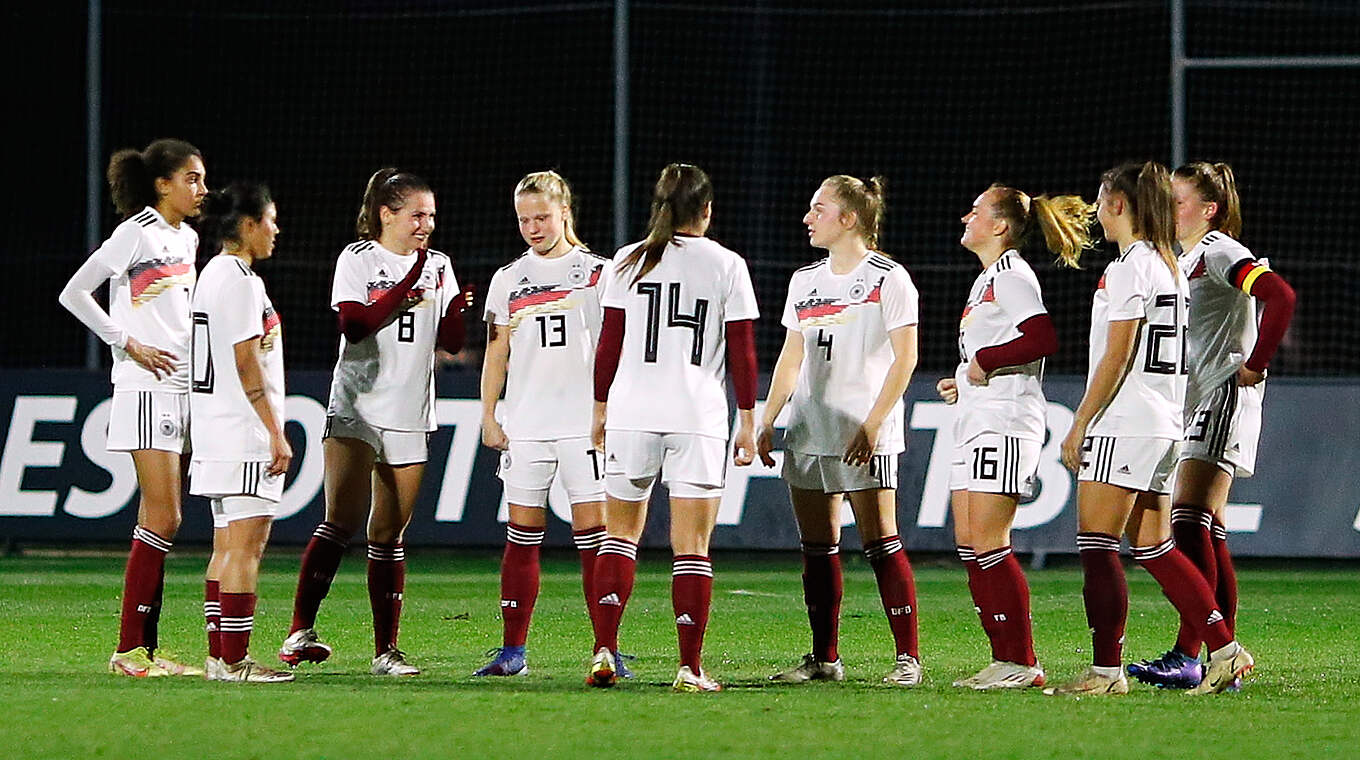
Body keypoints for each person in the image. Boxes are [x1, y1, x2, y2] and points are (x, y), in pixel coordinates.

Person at [1049, 161, 1254, 696]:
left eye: (1100, 198)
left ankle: (1105, 673)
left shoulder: (1131, 267)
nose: (1095, 209)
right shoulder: (1167, 263)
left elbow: (1117, 354)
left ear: (1119, 204)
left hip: (1127, 420)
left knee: (1095, 543)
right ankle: (1227, 650)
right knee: (1155, 546)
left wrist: (1080, 422)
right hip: (1163, 422)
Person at [279, 169, 470, 676]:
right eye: (417, 215)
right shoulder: (358, 258)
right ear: (387, 214)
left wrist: (456, 308)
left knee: (389, 534)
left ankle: (386, 651)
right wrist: (408, 283)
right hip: (357, 404)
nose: (426, 224)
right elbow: (354, 323)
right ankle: (299, 629)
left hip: (411, 411)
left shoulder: (441, 265)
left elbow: (450, 341)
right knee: (340, 520)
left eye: (430, 215)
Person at [587, 163, 759, 692]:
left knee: (618, 537)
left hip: (632, 413)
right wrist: (748, 420)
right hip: (697, 417)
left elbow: (609, 342)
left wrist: (599, 407)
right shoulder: (727, 264)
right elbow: (743, 352)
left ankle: (604, 651)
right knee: (692, 547)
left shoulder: (626, 261)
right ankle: (690, 666)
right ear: (706, 209)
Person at [1126, 162, 1295, 689]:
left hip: (1223, 396)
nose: (1169, 210)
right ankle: (1213, 655)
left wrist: (1256, 363)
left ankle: (1199, 652)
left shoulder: (1221, 251)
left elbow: (1281, 296)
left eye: (1178, 201)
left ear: (1208, 209)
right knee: (1206, 525)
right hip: (1194, 399)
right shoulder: (1181, 258)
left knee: (1189, 519)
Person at [759, 176, 923, 687]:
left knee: (882, 543)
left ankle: (907, 660)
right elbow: (792, 356)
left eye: (818, 209)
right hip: (810, 428)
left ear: (848, 219)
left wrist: (873, 424)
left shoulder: (889, 278)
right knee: (817, 548)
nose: (808, 218)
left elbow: (906, 357)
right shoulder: (804, 280)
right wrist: (768, 419)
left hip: (861, 432)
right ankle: (824, 659)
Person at [58, 138, 207, 677]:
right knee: (165, 516)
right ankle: (128, 650)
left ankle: (140, 650)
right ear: (162, 183)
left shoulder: (187, 238)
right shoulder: (135, 233)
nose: (201, 189)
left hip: (182, 387)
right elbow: (74, 293)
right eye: (192, 178)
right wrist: (127, 342)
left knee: (158, 519)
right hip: (145, 386)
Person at [937, 184, 1094, 690]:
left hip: (1006, 420)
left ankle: (1022, 661)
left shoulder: (1011, 273)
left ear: (1000, 226)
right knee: (969, 543)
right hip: (978, 414)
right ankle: (1002, 657)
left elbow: (1042, 337)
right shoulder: (987, 277)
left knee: (989, 541)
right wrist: (962, 376)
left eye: (977, 210)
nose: (967, 215)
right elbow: (996, 348)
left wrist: (986, 361)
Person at [474, 171, 612, 677]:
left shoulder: (599, 272)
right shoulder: (508, 278)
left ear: (565, 213)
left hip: (586, 426)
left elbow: (613, 348)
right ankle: (513, 652)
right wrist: (489, 413)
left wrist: (609, 410)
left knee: (595, 539)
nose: (533, 227)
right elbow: (496, 351)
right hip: (527, 424)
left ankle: (606, 648)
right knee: (521, 535)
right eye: (524, 219)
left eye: (542, 217)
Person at [190, 182, 293, 683]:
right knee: (245, 550)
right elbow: (247, 362)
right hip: (243, 432)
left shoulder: (212, 274)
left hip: (216, 430)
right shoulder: (239, 281)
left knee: (225, 546)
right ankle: (235, 659)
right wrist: (275, 431)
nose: (276, 229)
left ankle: (219, 657)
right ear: (249, 225)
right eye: (270, 219)